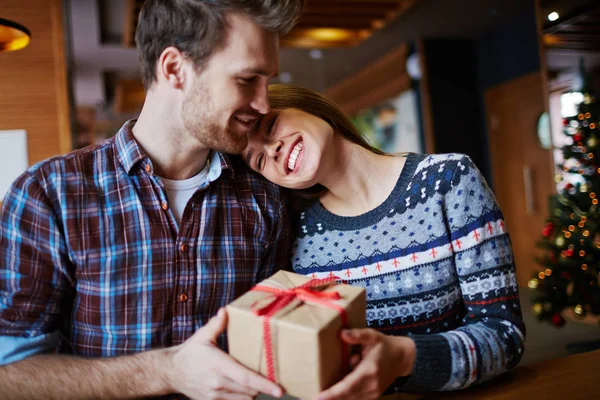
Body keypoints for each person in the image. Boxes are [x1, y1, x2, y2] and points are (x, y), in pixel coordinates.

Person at [0, 1, 303, 399]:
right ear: (174, 69)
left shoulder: (265, 196)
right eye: (247, 80)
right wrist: (167, 371)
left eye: (267, 81)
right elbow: (8, 377)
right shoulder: (48, 195)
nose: (264, 103)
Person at [242, 84, 526, 400]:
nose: (272, 150)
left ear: (308, 105)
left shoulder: (449, 180)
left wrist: (403, 358)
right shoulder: (300, 235)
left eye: (270, 126)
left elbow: (504, 335)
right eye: (258, 161)